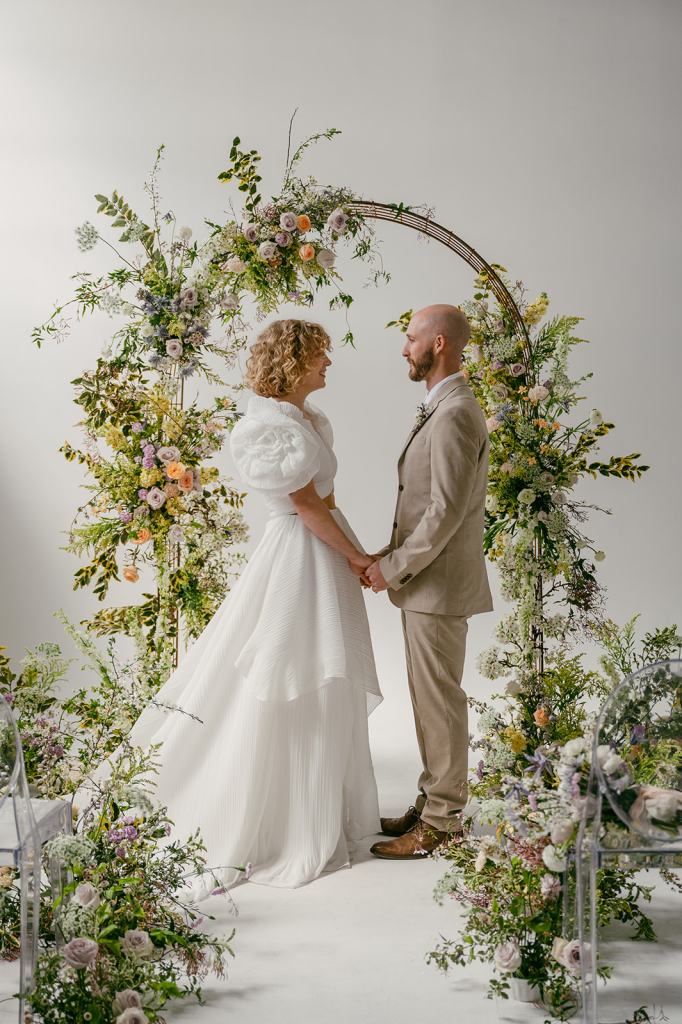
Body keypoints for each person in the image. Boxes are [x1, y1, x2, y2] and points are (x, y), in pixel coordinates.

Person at [86, 318, 383, 901]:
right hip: (301, 551)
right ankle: (281, 812)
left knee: (319, 670)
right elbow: (305, 506)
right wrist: (359, 558)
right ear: (293, 361)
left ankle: (314, 800)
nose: (329, 364)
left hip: (318, 549)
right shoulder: (270, 425)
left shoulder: (304, 420)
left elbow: (324, 500)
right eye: (321, 355)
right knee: (294, 669)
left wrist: (350, 555)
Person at [365, 304, 493, 860]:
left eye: (411, 338)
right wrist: (385, 555)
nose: (404, 348)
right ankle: (432, 798)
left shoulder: (457, 412)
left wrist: (392, 568)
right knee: (426, 696)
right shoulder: (441, 407)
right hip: (425, 582)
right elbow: (425, 509)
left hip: (437, 585)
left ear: (438, 343)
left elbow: (444, 512)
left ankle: (443, 822)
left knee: (439, 701)